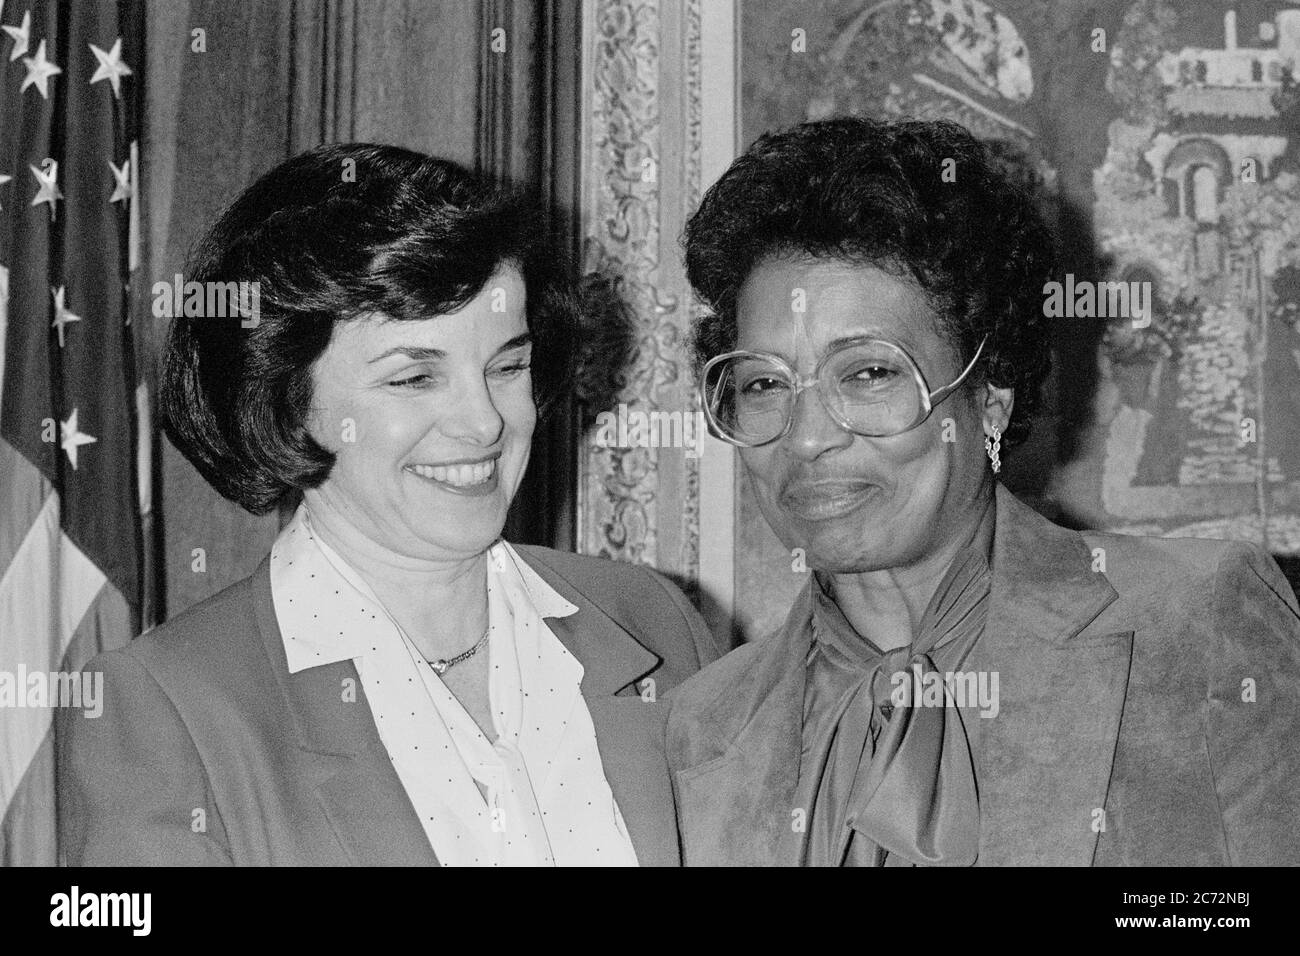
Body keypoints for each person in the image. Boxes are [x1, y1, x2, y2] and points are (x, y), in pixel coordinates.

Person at [58, 144, 719, 866]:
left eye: (507, 366)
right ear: (285, 402)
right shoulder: (170, 705)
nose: (485, 422)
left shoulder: (652, 621)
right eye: (413, 379)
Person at [666, 116, 1300, 866]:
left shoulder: (1195, 624)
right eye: (765, 383)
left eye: (870, 372)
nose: (808, 438)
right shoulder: (699, 727)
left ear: (989, 395)